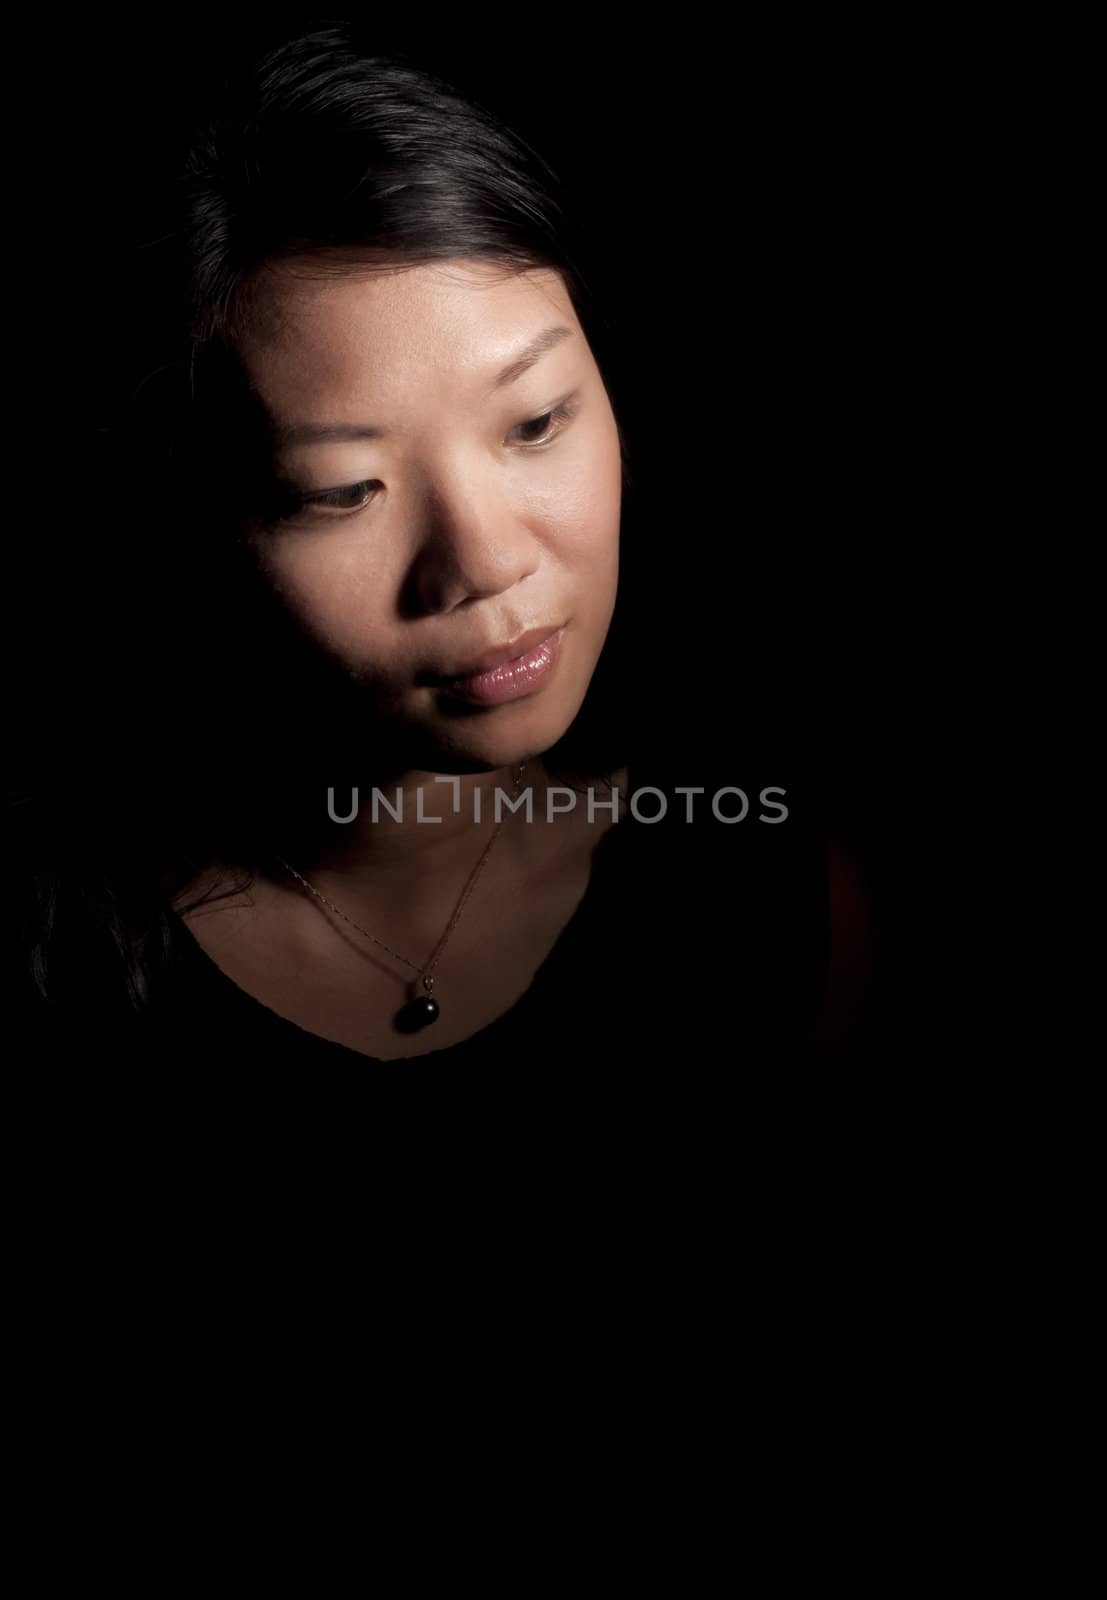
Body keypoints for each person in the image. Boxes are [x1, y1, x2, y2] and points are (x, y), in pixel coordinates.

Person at [13, 24, 873, 1064]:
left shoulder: (759, 891)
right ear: (200, 521)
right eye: (342, 491)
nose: (484, 562)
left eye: (537, 423)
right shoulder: (69, 960)